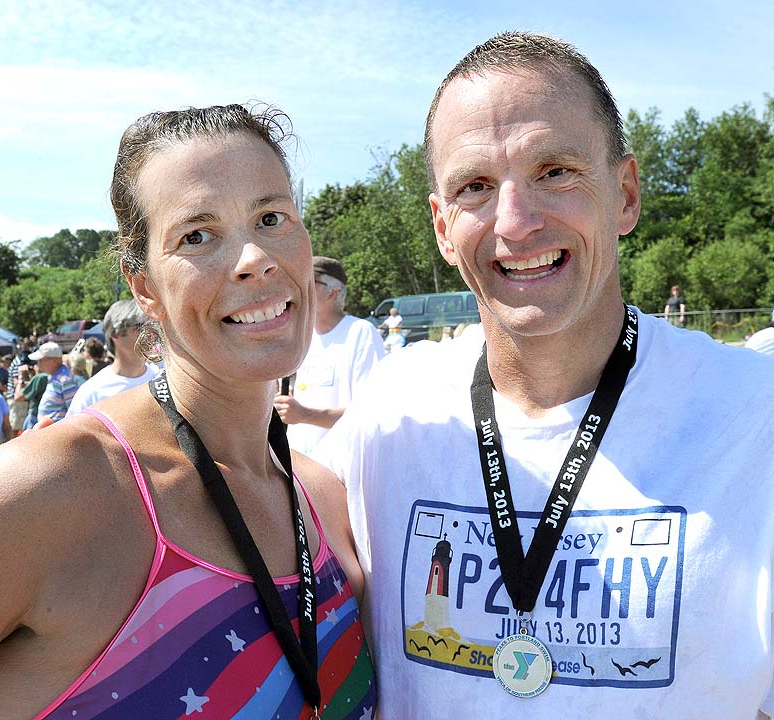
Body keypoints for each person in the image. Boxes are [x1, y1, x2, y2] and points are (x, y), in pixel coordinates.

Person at [315, 32, 774, 718]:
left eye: (555, 171)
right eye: (475, 187)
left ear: (624, 194)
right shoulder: (391, 413)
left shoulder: (754, 419)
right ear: (442, 227)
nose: (517, 221)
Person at [0, 103, 375, 719]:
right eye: (197, 235)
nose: (254, 257)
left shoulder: (326, 504)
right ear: (144, 288)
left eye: (272, 217)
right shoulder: (51, 492)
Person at [273, 256, 385, 457]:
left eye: (310, 282)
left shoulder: (360, 332)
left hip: (340, 469)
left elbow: (370, 413)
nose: (300, 288)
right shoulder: (304, 337)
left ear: (333, 293)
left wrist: (304, 414)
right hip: (302, 468)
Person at [66, 299, 159, 417]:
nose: (149, 334)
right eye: (140, 327)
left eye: (151, 326)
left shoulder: (162, 379)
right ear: (115, 334)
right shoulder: (93, 392)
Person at [33, 341, 82, 425]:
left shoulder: (65, 380)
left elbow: (74, 411)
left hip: (57, 432)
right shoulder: (56, 377)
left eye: (41, 360)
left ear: (54, 361)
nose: (38, 364)